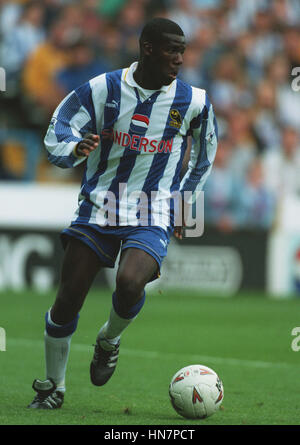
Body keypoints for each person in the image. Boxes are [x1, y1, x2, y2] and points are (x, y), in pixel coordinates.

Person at [27, 17, 218, 409]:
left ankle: (109, 339)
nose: (179, 59)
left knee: (130, 282)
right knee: (67, 300)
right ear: (147, 48)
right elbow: (58, 128)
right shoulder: (104, 88)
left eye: (183, 51)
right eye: (172, 50)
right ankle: (53, 388)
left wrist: (185, 201)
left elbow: (205, 154)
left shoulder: (194, 101)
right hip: (99, 206)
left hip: (152, 210)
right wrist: (76, 148)